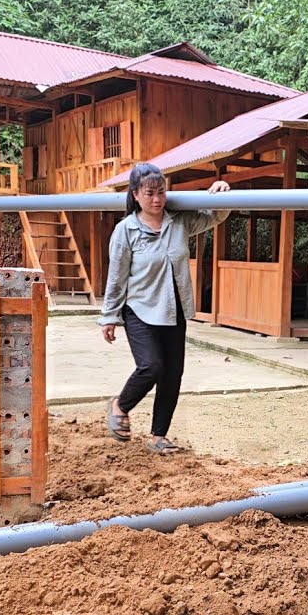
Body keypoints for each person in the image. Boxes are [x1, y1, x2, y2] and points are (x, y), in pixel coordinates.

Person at [98, 163, 230, 455]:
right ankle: (120, 404)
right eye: (149, 193)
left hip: (174, 309)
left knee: (172, 375)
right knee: (152, 366)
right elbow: (116, 277)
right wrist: (109, 317)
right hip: (139, 309)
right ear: (135, 194)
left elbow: (213, 217)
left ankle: (159, 436)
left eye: (161, 192)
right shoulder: (126, 231)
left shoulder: (178, 223)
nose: (157, 199)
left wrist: (221, 195)